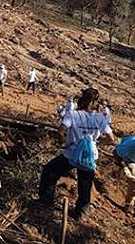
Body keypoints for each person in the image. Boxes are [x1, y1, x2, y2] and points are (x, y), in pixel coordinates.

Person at [37, 87, 115, 220]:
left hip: (71, 154)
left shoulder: (73, 115)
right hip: (89, 157)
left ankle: (46, 202)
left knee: (50, 172)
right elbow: (111, 138)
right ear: (95, 102)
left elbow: (61, 131)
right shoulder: (100, 118)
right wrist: (96, 144)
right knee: (85, 186)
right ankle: (81, 214)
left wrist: (62, 143)